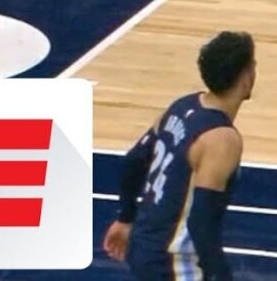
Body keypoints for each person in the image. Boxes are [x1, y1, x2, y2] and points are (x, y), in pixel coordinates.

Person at [102, 31, 257, 280]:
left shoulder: (183, 105)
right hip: (174, 262)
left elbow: (134, 161)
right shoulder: (221, 139)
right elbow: (201, 224)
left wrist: (125, 217)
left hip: (143, 245)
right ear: (246, 78)